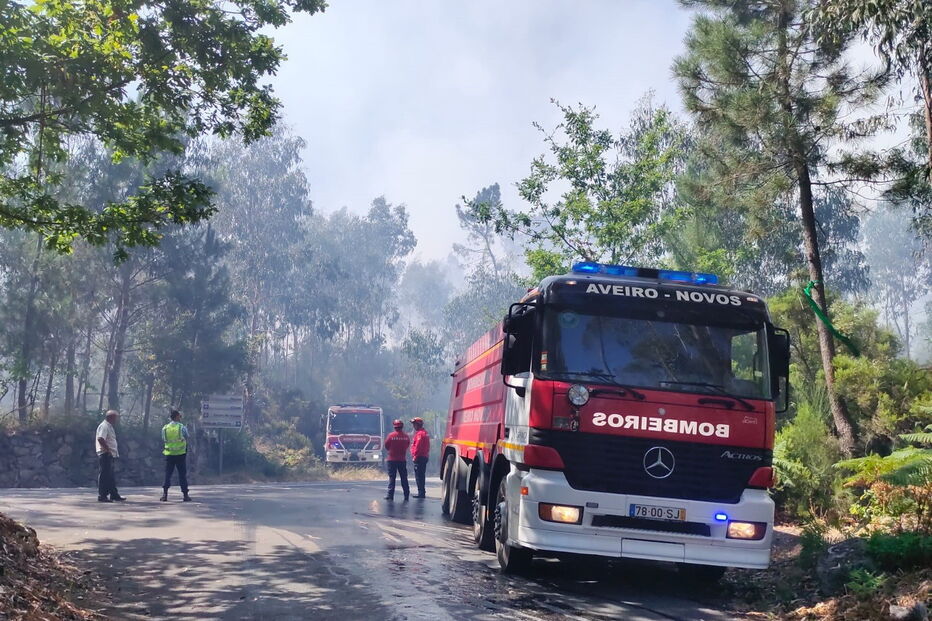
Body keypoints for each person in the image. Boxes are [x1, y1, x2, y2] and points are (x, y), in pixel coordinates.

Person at [161, 409, 191, 502]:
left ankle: (165, 495)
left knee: (168, 474)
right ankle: (185, 495)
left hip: (169, 454)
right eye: (180, 416)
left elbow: (163, 439)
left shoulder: (165, 428)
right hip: (180, 454)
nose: (180, 418)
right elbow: (187, 436)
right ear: (177, 416)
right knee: (182, 475)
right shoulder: (181, 427)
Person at [95, 410, 125, 503]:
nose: (117, 420)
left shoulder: (109, 426)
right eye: (116, 418)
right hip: (105, 454)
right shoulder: (104, 426)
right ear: (111, 417)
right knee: (104, 475)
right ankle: (102, 495)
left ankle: (114, 494)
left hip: (109, 454)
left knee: (110, 476)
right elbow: (100, 438)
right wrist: (107, 450)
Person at [383, 419, 410, 501]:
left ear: (394, 426)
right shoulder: (406, 436)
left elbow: (386, 446)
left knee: (392, 478)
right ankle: (406, 495)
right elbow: (407, 445)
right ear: (402, 427)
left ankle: (390, 495)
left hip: (392, 460)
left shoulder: (391, 436)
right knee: (404, 478)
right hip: (402, 460)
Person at [410, 417, 430, 499]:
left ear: (418, 425)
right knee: (421, 475)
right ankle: (422, 492)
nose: (413, 426)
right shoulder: (425, 433)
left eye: (414, 424)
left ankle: (421, 493)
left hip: (419, 457)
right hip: (424, 456)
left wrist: (415, 456)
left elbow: (418, 446)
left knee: (419, 476)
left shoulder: (420, 434)